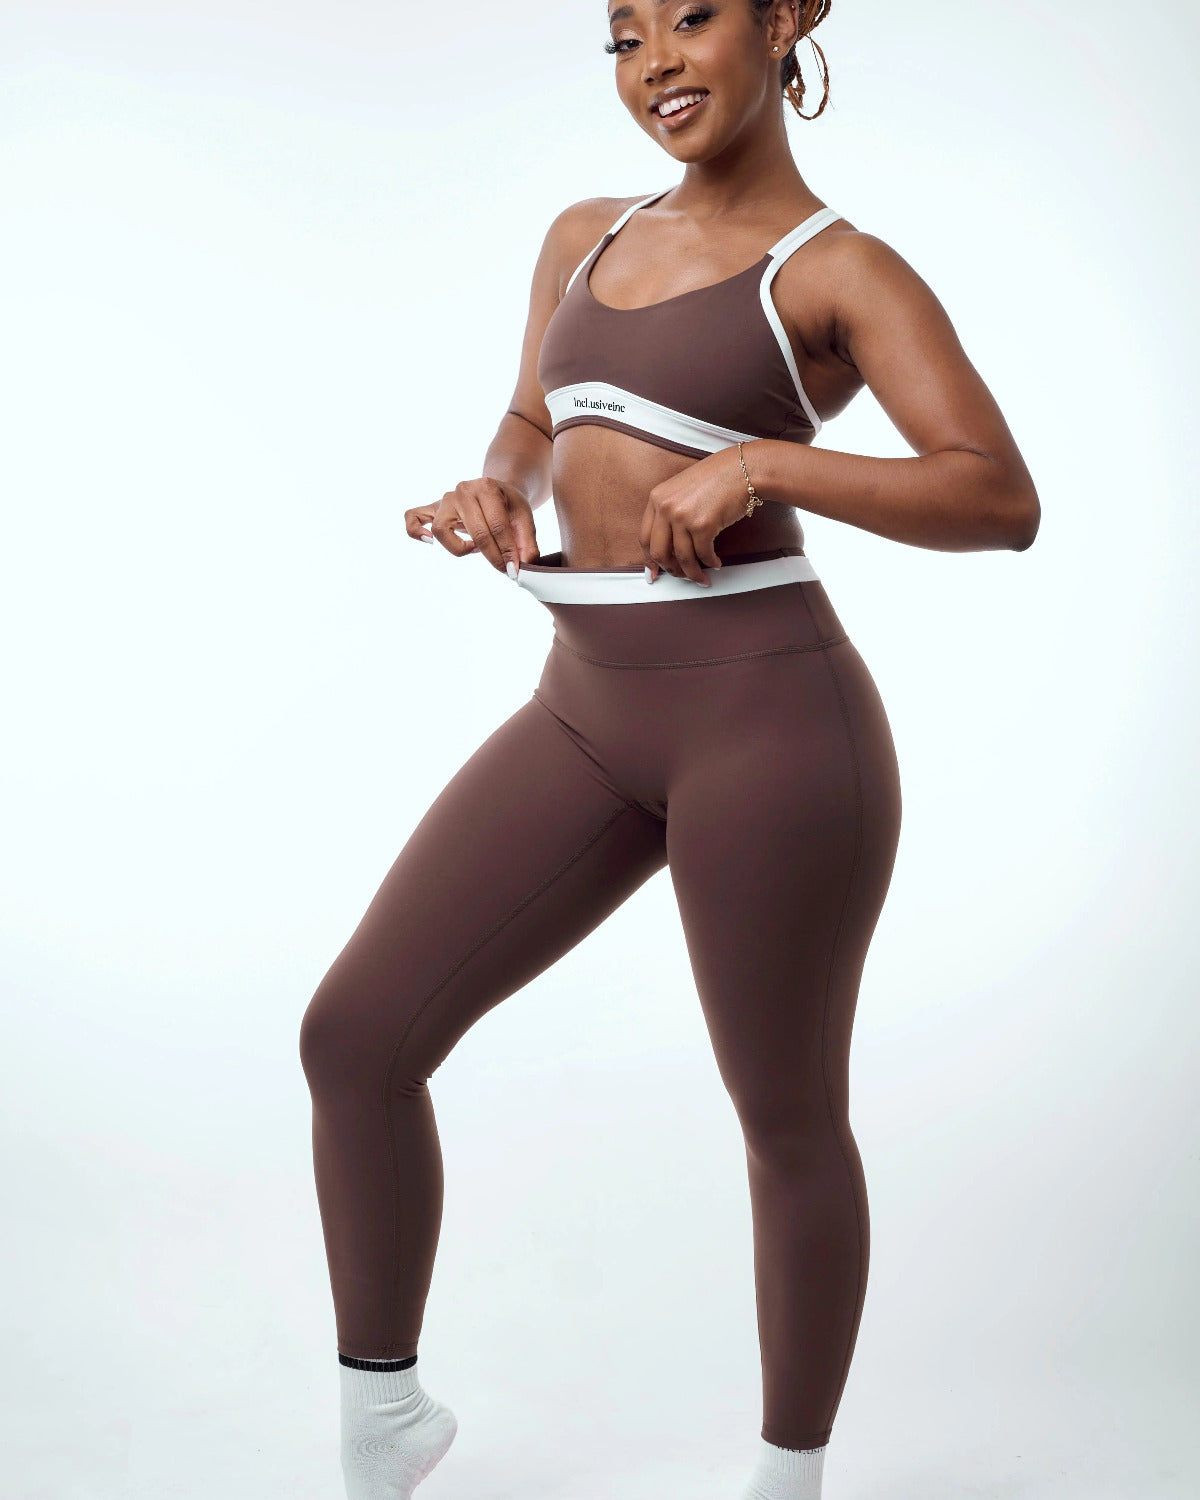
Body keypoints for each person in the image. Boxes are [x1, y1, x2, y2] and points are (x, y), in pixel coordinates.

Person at [299, 2, 1041, 1496]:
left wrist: (764, 464)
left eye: (693, 16)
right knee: (357, 1036)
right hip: (586, 708)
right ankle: (382, 1427)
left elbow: (997, 497)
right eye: (624, 36)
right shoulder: (584, 234)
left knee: (785, 1120)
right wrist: (493, 489)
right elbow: (531, 421)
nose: (657, 63)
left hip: (771, 727)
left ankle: (788, 1478)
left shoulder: (836, 269)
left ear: (790, 18)